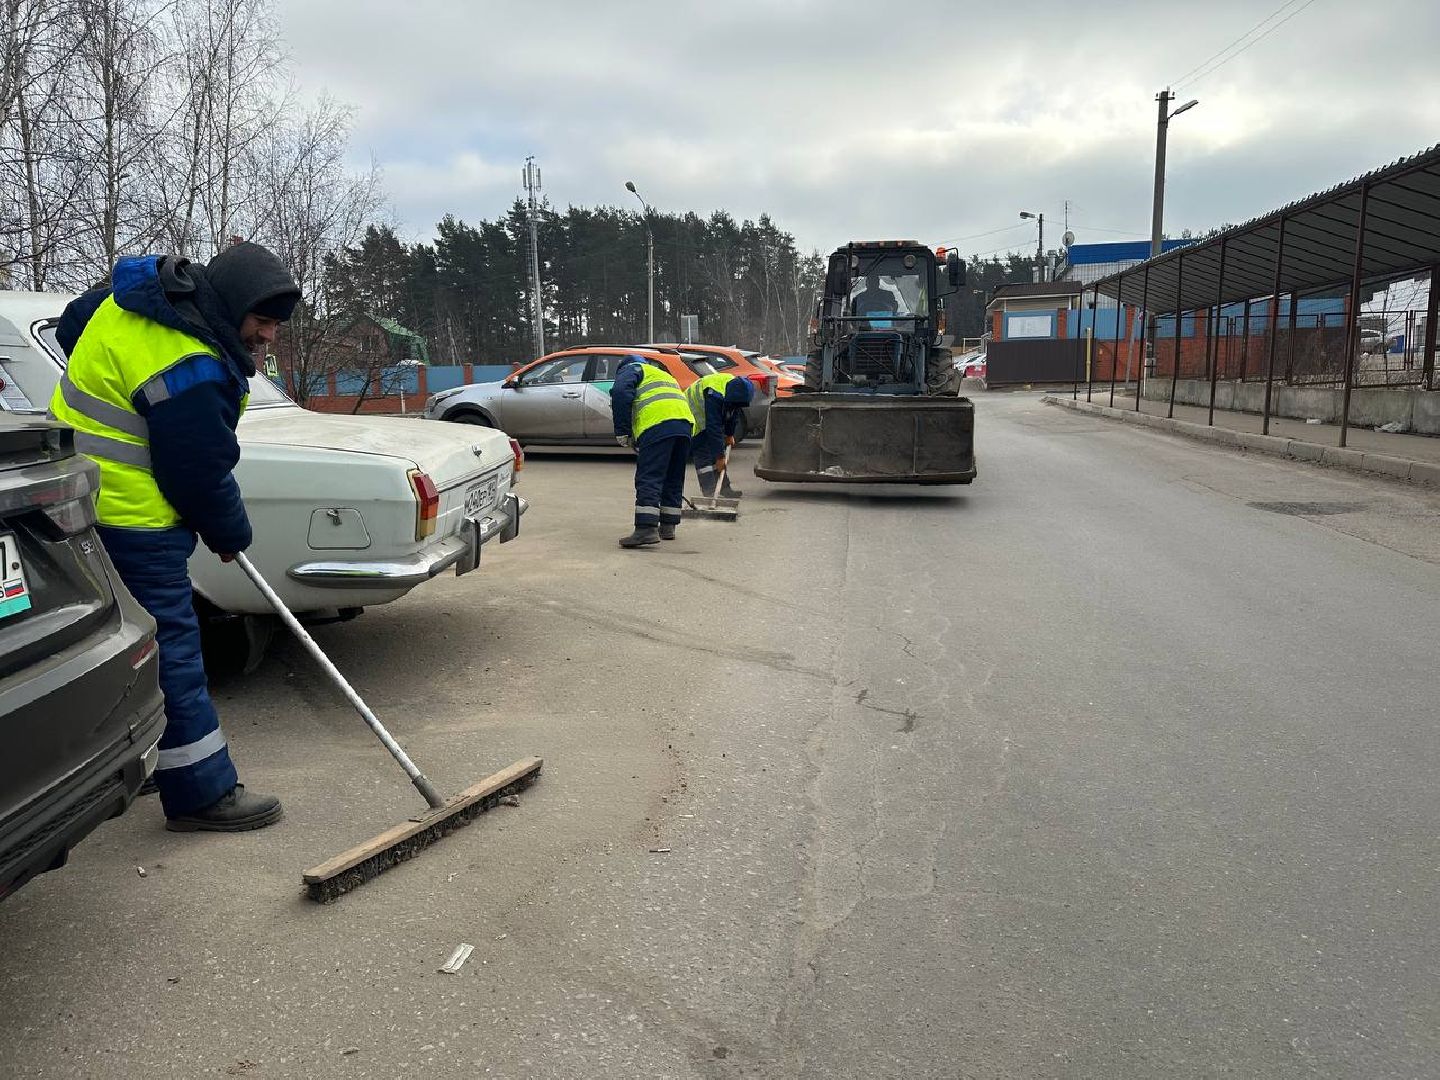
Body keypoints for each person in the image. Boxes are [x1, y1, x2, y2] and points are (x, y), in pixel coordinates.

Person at [50, 242, 299, 832]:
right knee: (171, 652)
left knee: (104, 644)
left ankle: (130, 761)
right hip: (132, 518)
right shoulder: (196, 367)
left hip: (71, 501)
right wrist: (229, 533)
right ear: (233, 303)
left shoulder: (144, 299)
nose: (268, 337)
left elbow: (71, 326)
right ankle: (199, 794)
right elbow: (197, 474)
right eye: (262, 322)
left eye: (276, 326)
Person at [609, 354, 695, 547]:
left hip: (658, 424)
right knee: (673, 476)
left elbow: (621, 393)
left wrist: (622, 432)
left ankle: (646, 529)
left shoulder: (632, 369)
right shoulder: (662, 373)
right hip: (684, 426)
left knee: (650, 476)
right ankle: (668, 526)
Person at [684, 371, 754, 499]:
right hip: (692, 413)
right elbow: (713, 427)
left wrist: (729, 434)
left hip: (707, 414)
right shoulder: (714, 395)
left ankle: (724, 488)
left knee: (717, 451)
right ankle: (709, 491)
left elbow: (733, 413)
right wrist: (720, 456)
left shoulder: (736, 388)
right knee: (703, 452)